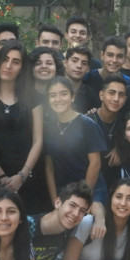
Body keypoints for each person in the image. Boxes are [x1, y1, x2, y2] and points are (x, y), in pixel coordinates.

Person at [0, 41, 44, 210]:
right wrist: (0, 175)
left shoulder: (33, 97)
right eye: (5, 59)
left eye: (16, 62)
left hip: (27, 175)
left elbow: (38, 140)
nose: (8, 66)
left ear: (22, 68)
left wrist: (22, 175)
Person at [44, 77, 106, 207]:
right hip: (63, 192)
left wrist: (83, 200)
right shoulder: (48, 128)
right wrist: (54, 200)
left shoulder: (87, 124)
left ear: (72, 96)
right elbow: (49, 167)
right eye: (52, 95)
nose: (58, 99)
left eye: (63, 94)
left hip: (90, 190)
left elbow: (95, 164)